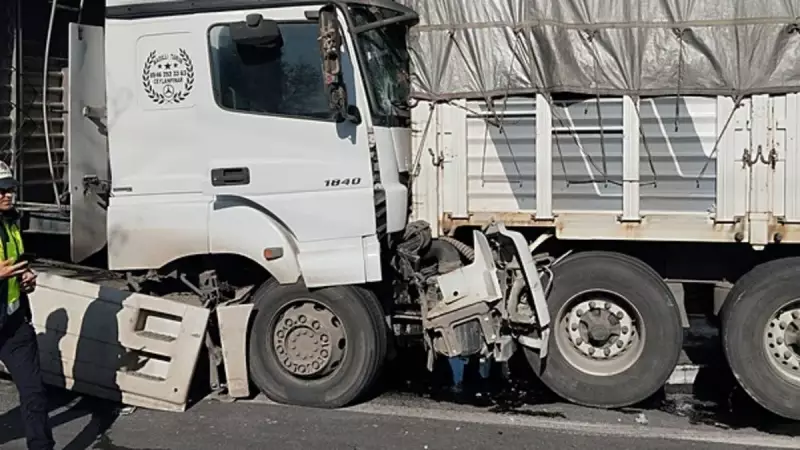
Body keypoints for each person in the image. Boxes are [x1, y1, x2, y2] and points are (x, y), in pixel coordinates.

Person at [0, 161, 55, 450]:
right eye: (0, 190)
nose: (7, 195)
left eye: (10, 189)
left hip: (13, 324)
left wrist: (26, 278)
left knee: (34, 393)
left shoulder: (10, 222)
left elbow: (16, 264)